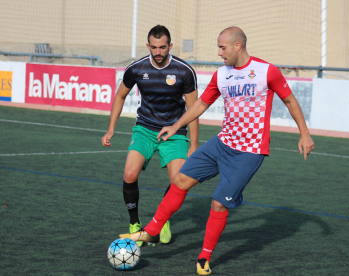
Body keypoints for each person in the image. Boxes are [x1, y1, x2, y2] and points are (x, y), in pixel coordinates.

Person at [120, 26, 314, 274]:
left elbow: (289, 100)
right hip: (222, 143)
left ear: (237, 46)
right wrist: (177, 124)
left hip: (249, 152)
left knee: (218, 204)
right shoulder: (222, 75)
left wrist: (304, 133)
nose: (219, 52)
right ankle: (152, 231)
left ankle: (204, 258)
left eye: (222, 47)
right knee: (180, 179)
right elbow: (201, 103)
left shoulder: (267, 71)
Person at [102, 25, 199, 247]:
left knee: (179, 182)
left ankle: (162, 219)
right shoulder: (136, 68)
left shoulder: (184, 71)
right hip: (145, 128)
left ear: (170, 46)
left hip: (174, 131)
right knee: (129, 173)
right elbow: (120, 97)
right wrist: (111, 129)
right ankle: (135, 223)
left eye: (162, 47)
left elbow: (193, 110)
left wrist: (194, 144)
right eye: (153, 47)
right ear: (148, 46)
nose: (158, 52)